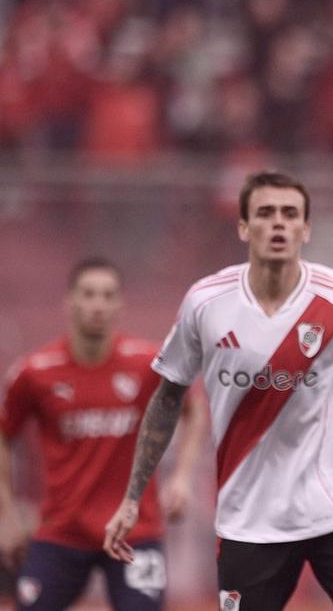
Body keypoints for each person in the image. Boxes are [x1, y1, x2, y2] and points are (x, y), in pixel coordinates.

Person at [102, 171, 333, 611]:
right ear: (244, 226)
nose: (278, 224)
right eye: (265, 214)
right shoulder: (205, 302)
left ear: (306, 229)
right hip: (248, 520)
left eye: (290, 215)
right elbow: (168, 398)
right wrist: (133, 498)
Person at [0, 257, 205, 611]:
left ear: (120, 304)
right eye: (89, 294)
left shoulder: (148, 363)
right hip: (62, 531)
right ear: (70, 302)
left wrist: (183, 477)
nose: (99, 305)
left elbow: (194, 407)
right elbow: (3, 433)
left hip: (136, 531)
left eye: (108, 295)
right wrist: (7, 515)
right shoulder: (35, 372)